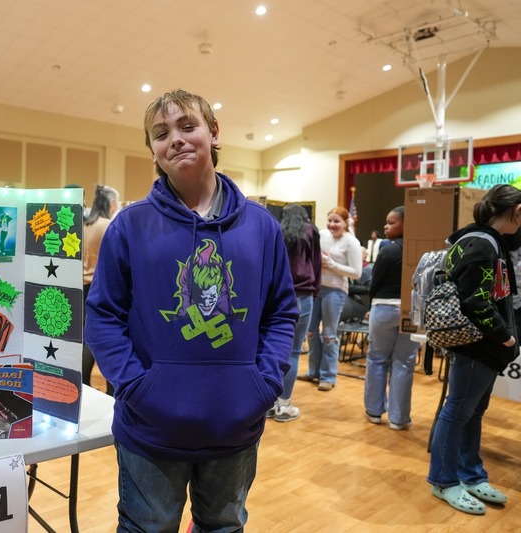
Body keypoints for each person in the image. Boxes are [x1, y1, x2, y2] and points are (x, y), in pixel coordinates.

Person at [85, 89, 297, 532]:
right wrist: (137, 387)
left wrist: (264, 385)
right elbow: (103, 315)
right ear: (153, 151)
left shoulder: (261, 227)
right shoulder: (131, 225)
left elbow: (281, 313)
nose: (176, 140)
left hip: (236, 428)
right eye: (161, 134)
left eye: (187, 126)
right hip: (151, 430)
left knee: (223, 526)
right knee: (148, 527)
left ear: (214, 133)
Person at [427, 184, 520, 515]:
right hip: (478, 347)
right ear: (517, 212)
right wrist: (506, 337)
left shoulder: (481, 239)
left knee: (469, 413)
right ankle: (444, 480)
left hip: (481, 348)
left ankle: (470, 474)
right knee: (456, 412)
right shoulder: (481, 245)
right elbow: (475, 301)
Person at [363, 206, 419, 430]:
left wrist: (370, 304)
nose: (386, 226)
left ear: (406, 223)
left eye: (391, 222)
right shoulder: (422, 250)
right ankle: (399, 419)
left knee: (377, 359)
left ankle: (374, 411)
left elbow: (374, 284)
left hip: (384, 307)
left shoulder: (388, 250)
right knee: (404, 362)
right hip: (412, 310)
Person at [267, 204, 320, 422]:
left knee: (272, 348)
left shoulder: (276, 228)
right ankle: (284, 405)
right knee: (294, 352)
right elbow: (316, 263)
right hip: (303, 294)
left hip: (277, 296)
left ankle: (269, 403)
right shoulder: (310, 230)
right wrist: (315, 291)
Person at [298, 206, 362, 391]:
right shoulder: (321, 235)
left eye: (337, 221)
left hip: (335, 291)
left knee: (328, 334)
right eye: (330, 220)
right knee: (310, 332)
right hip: (315, 287)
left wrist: (331, 264)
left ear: (345, 223)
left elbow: (356, 273)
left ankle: (328, 376)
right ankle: (313, 372)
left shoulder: (351, 243)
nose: (332, 225)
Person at [82, 184, 120, 395]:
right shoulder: (107, 225)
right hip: (98, 288)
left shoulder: (84, 224)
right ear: (112, 203)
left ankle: (84, 386)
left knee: (84, 339)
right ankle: (108, 392)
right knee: (101, 339)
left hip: (80, 288)